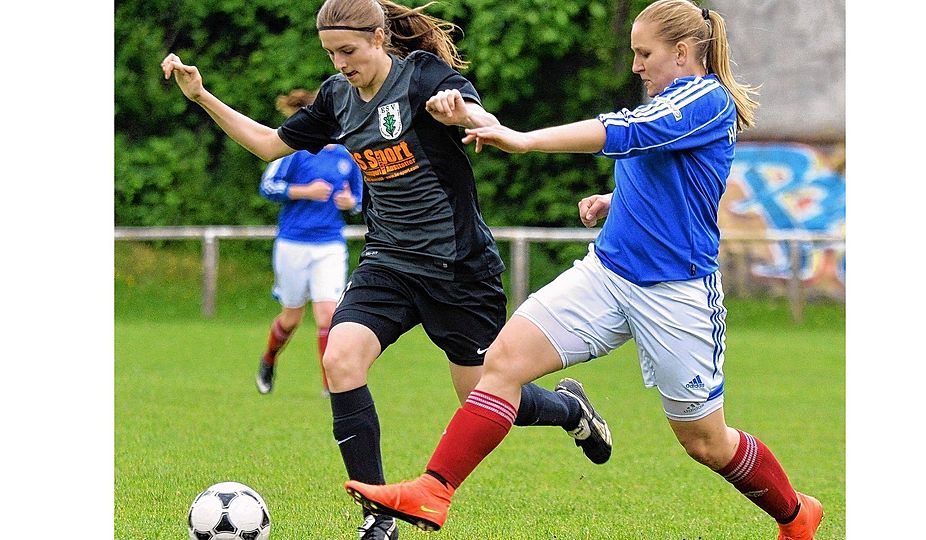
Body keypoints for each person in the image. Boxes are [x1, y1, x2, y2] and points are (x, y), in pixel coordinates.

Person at [344, 2, 824, 539]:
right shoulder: (669, 101)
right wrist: (616, 199)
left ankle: (796, 516)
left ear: (683, 53)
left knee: (706, 442)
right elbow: (673, 179)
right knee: (501, 361)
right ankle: (435, 490)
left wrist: (522, 139)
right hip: (607, 274)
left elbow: (626, 134)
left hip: (676, 294)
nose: (637, 66)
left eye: (645, 54)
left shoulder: (705, 100)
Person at [160, 1, 612, 538]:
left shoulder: (423, 77)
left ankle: (569, 410)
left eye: (348, 51)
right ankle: (378, 519)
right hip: (389, 262)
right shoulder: (336, 97)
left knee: (485, 399)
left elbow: (487, 122)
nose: (341, 63)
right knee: (341, 358)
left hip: (458, 270)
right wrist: (201, 96)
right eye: (331, 52)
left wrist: (461, 112)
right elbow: (266, 145)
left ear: (379, 37)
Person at [255, 89, 364, 398]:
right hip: (293, 243)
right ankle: (269, 359)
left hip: (330, 243)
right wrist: (303, 191)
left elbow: (358, 197)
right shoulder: (295, 151)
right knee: (290, 319)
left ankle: (330, 385)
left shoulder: (346, 156)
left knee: (329, 315)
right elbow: (268, 186)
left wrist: (349, 202)